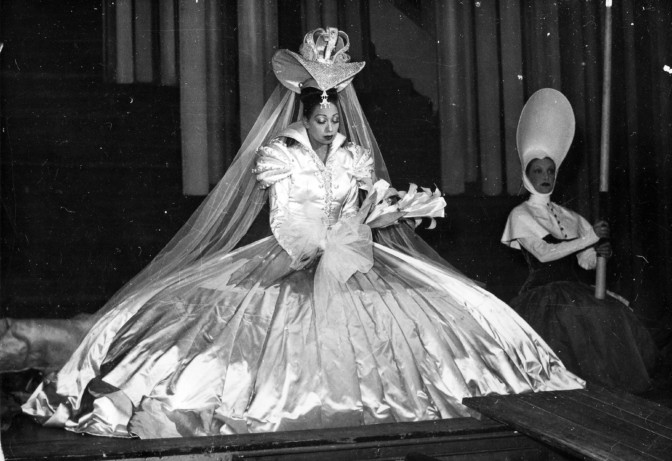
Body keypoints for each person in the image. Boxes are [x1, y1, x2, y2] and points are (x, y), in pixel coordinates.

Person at [16, 29, 584, 439]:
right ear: (304, 112)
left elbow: (360, 204)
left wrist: (389, 211)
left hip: (349, 251)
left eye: (337, 119)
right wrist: (308, 252)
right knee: (269, 330)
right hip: (294, 251)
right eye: (323, 118)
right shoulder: (280, 154)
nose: (332, 125)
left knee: (431, 315)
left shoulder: (353, 155)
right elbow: (283, 215)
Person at [501, 88, 658, 393]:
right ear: (526, 174)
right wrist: (589, 237)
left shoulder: (569, 216)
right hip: (541, 296)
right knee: (569, 320)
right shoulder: (520, 215)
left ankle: (607, 398)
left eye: (550, 170)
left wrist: (599, 253)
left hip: (574, 290)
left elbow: (584, 262)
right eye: (538, 171)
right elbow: (544, 254)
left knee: (612, 314)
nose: (545, 176)